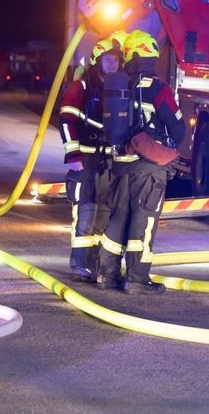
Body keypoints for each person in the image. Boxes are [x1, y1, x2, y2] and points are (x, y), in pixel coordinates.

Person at [97, 30, 185, 295]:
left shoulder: (118, 85)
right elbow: (178, 129)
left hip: (122, 163)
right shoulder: (158, 88)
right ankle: (137, 279)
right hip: (148, 166)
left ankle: (106, 275)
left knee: (118, 217)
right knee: (142, 220)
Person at [58, 33, 122, 282]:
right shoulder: (81, 87)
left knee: (104, 211)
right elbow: (66, 120)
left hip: (108, 159)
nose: (112, 64)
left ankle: (96, 263)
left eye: (116, 60)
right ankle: (80, 263)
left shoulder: (118, 87)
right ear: (97, 60)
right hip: (84, 159)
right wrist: (73, 154)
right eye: (108, 59)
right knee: (85, 210)